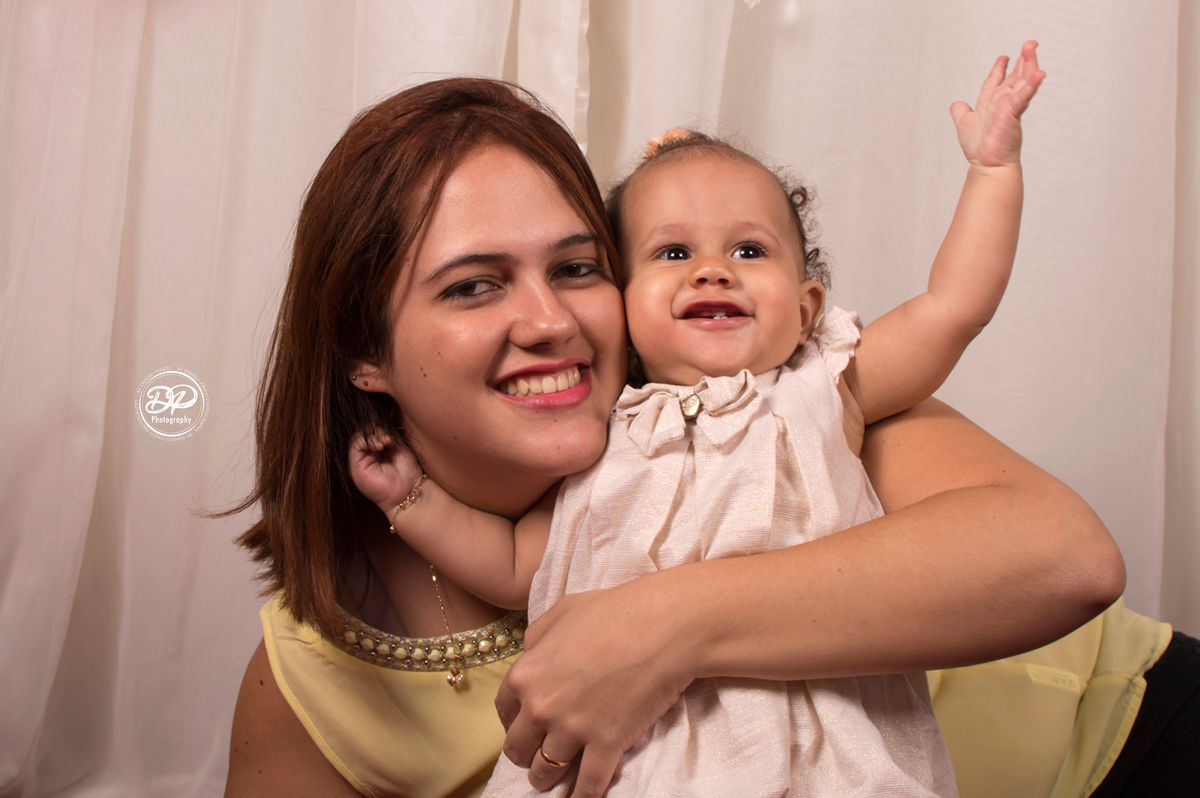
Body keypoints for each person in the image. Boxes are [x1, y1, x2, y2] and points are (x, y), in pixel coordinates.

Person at [223, 75, 1123, 798]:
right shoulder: (620, 453)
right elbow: (508, 561)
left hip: (1114, 732)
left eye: (576, 268)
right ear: (361, 350)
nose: (550, 321)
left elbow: (1069, 559)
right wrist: (412, 501)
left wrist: (663, 624)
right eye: (472, 285)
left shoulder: (793, 400)